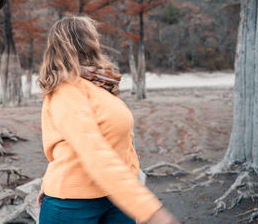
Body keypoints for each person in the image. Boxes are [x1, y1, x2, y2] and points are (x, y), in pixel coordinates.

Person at [36, 16, 179, 224]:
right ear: (86, 42)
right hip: (74, 205)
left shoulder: (98, 87)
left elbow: (108, 141)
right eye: (92, 35)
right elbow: (91, 149)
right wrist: (150, 210)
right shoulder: (66, 90)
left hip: (117, 199)